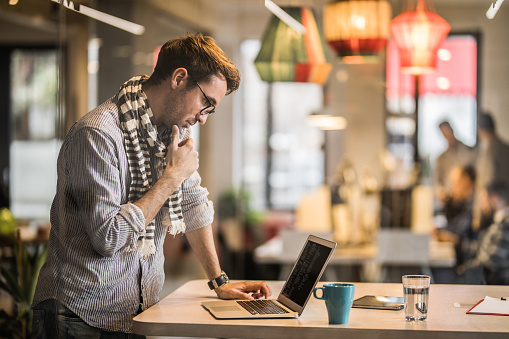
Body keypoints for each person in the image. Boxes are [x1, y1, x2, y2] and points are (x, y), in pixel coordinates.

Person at [31, 33, 271, 338]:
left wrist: (219, 281)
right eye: (206, 103)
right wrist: (170, 177)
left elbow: (193, 204)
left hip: (136, 314)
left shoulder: (170, 134)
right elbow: (107, 238)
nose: (203, 118)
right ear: (179, 78)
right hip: (76, 318)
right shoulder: (97, 135)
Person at [458, 181, 509, 285]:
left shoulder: (505, 225)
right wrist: (458, 243)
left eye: (484, 200)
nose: (482, 205)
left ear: (494, 199)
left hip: (494, 289)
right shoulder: (498, 222)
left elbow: (491, 263)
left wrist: (464, 269)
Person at [472, 112, 509, 232]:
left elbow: (487, 184)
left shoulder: (489, 153)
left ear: (480, 130)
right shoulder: (505, 148)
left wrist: (478, 216)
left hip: (494, 207)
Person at [433, 120, 475, 209]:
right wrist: (441, 193)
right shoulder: (442, 158)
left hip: (466, 199)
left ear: (452, 130)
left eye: (448, 131)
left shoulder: (467, 151)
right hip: (451, 200)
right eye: (444, 133)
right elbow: (437, 182)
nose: (447, 135)